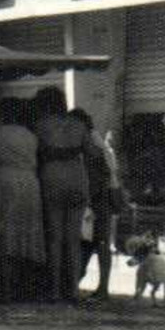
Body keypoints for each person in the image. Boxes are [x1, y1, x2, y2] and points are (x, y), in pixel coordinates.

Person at [0, 101, 46, 300]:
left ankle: (4, 287)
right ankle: (21, 287)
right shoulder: (31, 136)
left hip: (2, 181)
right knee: (24, 233)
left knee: (2, 233)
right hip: (29, 183)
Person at [31, 87, 90, 304]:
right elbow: (91, 152)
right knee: (73, 239)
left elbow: (36, 154)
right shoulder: (80, 125)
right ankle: (73, 290)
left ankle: (55, 290)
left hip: (52, 178)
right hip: (77, 178)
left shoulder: (41, 126)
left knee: (54, 239)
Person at [72, 108, 120, 300]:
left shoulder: (90, 142)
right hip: (104, 195)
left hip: (97, 196)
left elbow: (100, 173)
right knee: (99, 243)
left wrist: (90, 198)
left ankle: (98, 287)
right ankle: (101, 287)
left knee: (93, 242)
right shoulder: (98, 140)